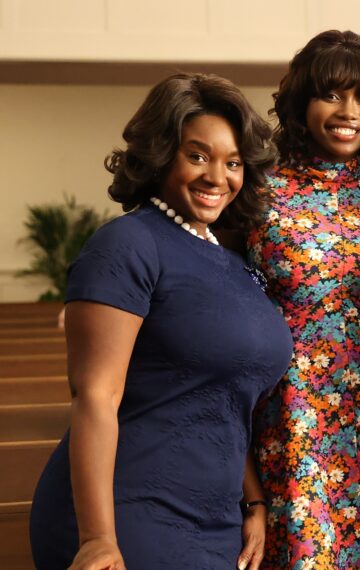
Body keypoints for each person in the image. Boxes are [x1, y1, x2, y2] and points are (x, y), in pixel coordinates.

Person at [29, 73, 292, 570]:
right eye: (197, 155)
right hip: (127, 513)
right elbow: (95, 397)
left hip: (216, 521)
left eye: (232, 163)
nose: (217, 176)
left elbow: (223, 397)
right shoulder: (127, 245)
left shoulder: (237, 264)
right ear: (160, 153)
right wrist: (97, 538)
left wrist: (254, 501)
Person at [246, 30, 360, 568]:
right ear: (302, 102)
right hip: (288, 424)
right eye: (333, 95)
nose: (349, 112)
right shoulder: (256, 194)